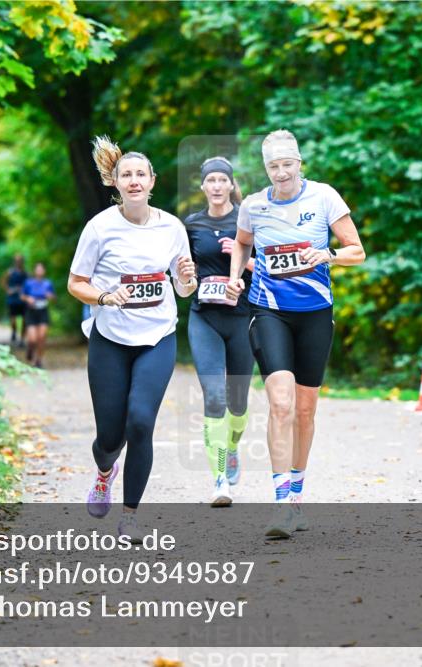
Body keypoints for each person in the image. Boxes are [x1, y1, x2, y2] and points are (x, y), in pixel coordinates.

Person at [226, 129, 365, 538]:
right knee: (281, 403)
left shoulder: (324, 197)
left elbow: (357, 249)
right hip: (269, 311)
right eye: (273, 166)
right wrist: (236, 277)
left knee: (305, 410)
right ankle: (282, 502)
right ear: (266, 169)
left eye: (287, 164)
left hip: (315, 315)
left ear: (299, 164)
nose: (281, 172)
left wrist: (329, 255)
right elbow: (241, 244)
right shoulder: (253, 206)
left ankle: (298, 493)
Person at [67, 136, 197, 542]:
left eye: (141, 174)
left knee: (140, 422)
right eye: (127, 174)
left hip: (157, 335)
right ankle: (105, 472)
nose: (135, 180)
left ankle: (130, 516)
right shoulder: (100, 227)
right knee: (110, 436)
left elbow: (184, 289)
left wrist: (189, 279)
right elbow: (76, 283)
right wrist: (106, 297)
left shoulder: (172, 227)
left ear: (152, 180)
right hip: (110, 337)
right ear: (116, 182)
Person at [184, 156, 255, 507]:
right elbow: (183, 270)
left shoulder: (248, 219)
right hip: (205, 318)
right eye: (209, 180)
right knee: (213, 396)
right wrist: (187, 276)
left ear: (230, 185)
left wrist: (243, 261)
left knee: (238, 402)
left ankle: (232, 448)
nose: (215, 186)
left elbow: (270, 266)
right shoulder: (192, 225)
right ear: (203, 187)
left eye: (221, 180)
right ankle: (220, 480)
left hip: (242, 318)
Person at [21, 262, 56, 368]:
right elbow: (22, 296)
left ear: (44, 271)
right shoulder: (28, 283)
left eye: (41, 269)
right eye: (38, 269)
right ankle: (30, 351)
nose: (40, 271)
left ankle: (38, 360)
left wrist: (50, 296)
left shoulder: (48, 283)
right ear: (34, 271)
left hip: (43, 311)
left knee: (41, 337)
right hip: (31, 312)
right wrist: (28, 299)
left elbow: (54, 298)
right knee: (32, 339)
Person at [1, 254, 28, 347]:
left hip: (23, 299)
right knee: (13, 319)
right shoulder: (10, 272)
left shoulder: (25, 273)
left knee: (25, 319)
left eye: (20, 260)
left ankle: (22, 339)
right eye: (17, 260)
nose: (18, 262)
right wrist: (8, 290)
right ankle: (14, 331)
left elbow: (29, 284)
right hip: (13, 298)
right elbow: (3, 281)